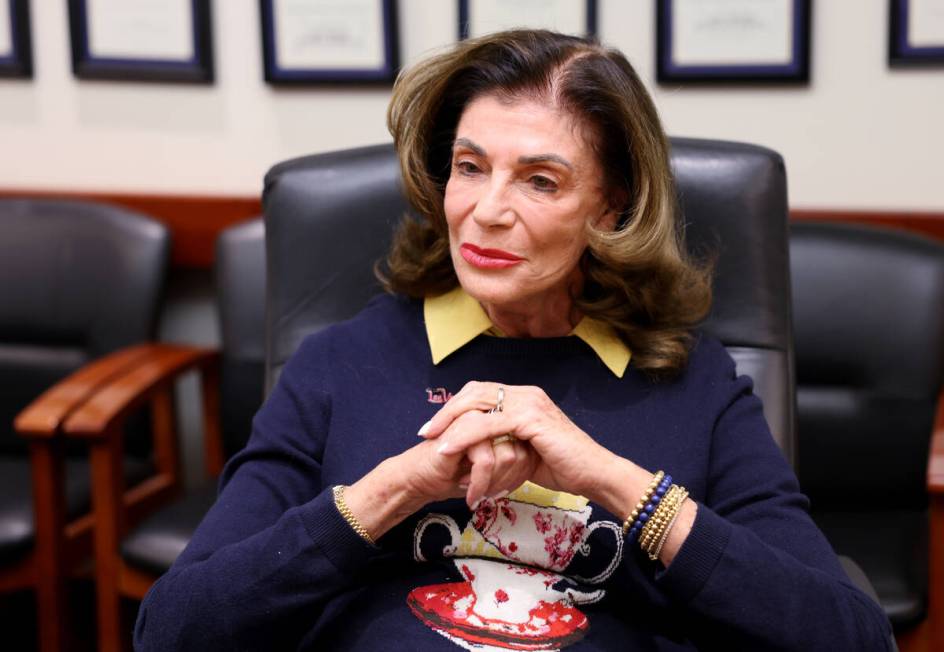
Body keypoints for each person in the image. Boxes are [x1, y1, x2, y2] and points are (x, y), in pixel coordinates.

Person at [135, 30, 892, 650]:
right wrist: (399, 487)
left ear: (612, 206)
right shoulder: (339, 364)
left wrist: (613, 481)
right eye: (470, 167)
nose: (486, 211)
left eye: (540, 180)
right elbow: (173, 630)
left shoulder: (691, 382)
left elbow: (848, 636)